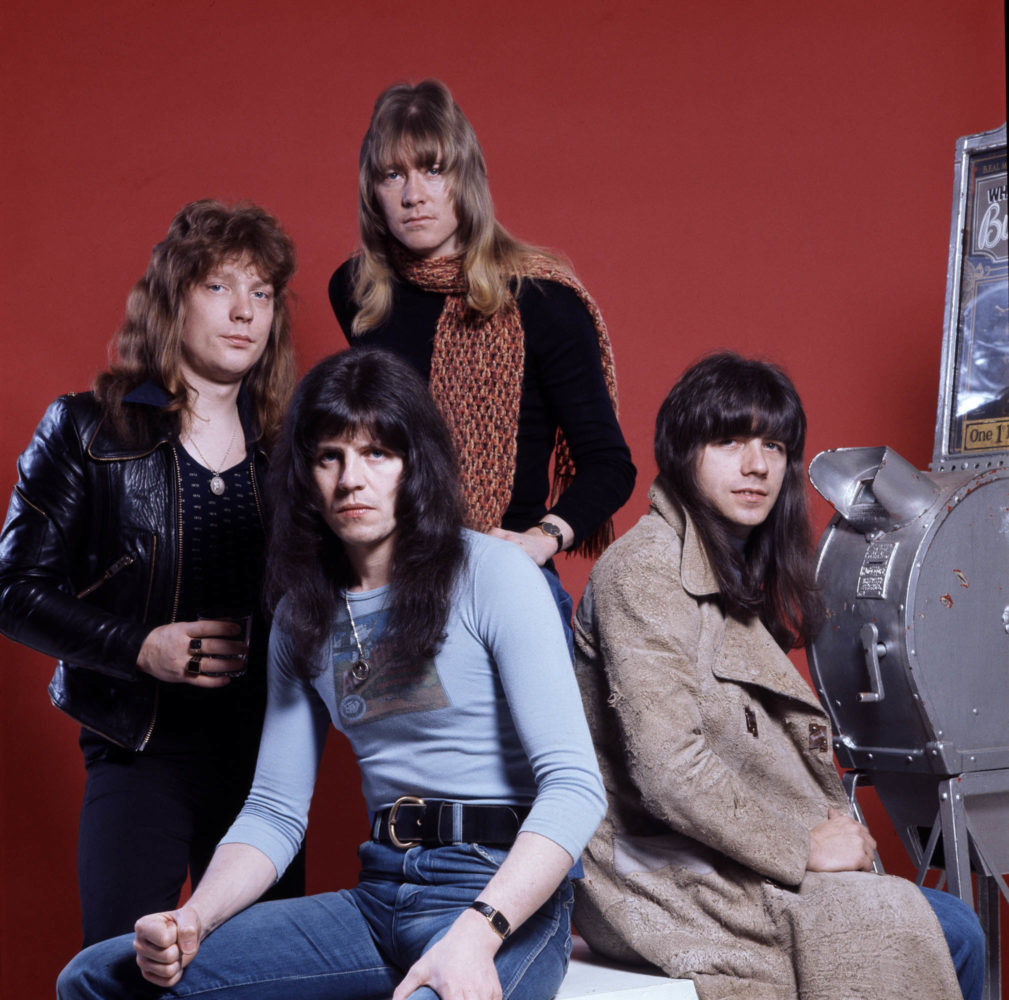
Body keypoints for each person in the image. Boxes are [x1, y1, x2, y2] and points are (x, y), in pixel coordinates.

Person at [57, 347, 606, 1000]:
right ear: (304, 476)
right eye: (329, 457)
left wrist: (477, 931)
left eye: (377, 453)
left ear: (415, 465)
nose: (352, 480)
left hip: (498, 896)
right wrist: (193, 919)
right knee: (95, 975)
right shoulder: (300, 615)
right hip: (381, 894)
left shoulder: (493, 574)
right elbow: (274, 811)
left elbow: (575, 788)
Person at [571, 353, 985, 1000]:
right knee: (945, 930)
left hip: (720, 859)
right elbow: (668, 769)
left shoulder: (727, 566)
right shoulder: (644, 570)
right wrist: (801, 845)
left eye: (773, 446)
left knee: (941, 925)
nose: (757, 465)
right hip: (658, 873)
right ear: (681, 453)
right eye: (729, 441)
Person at [0, 200, 304, 946]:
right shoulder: (86, 429)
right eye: (219, 286)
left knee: (265, 978)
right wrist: (139, 647)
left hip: (267, 765)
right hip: (139, 746)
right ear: (174, 299)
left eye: (261, 292)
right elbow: (11, 590)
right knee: (119, 968)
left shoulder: (294, 451)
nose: (244, 311)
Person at [328, 79, 635, 624]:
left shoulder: (542, 300)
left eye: (433, 170)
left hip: (503, 578)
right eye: (392, 175)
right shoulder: (359, 293)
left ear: (466, 178)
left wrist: (541, 539)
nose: (413, 195)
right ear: (372, 191)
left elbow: (608, 465)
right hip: (391, 580)